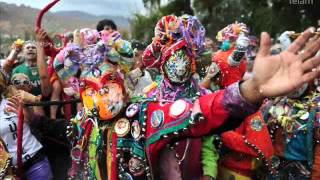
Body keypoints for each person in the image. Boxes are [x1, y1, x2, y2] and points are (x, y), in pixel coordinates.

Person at [0, 70, 52, 180]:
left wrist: (25, 109)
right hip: (7, 172)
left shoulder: (11, 99)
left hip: (35, 161)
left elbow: (32, 120)